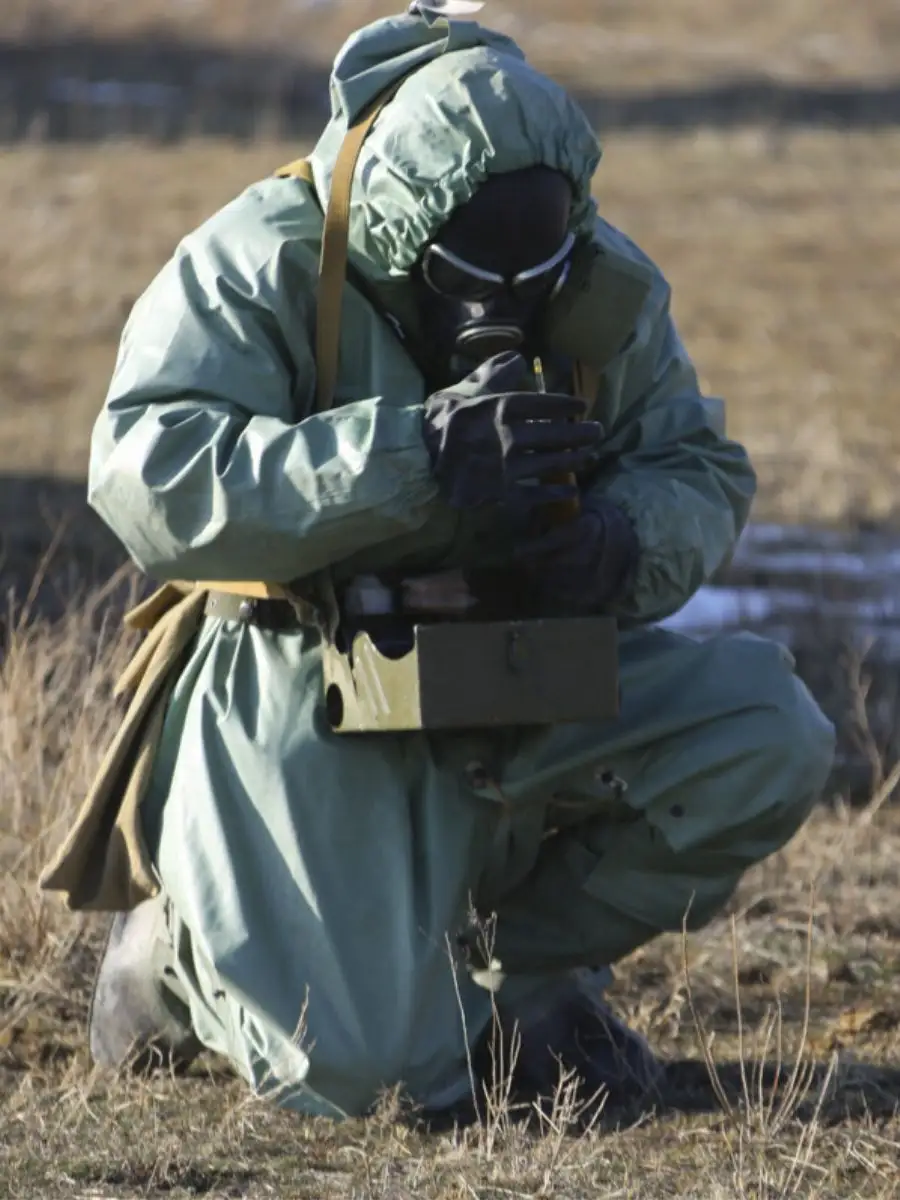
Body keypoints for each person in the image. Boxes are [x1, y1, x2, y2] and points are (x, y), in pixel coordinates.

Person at [75, 5, 835, 1123]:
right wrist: (408, 458)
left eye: (532, 278)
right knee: (370, 1080)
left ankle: (513, 986)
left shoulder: (596, 281)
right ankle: (177, 958)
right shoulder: (260, 259)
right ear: (399, 236)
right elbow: (150, 475)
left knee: (767, 735)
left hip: (529, 663)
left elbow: (694, 463)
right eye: (465, 279)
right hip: (314, 678)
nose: (500, 311)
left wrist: (619, 542)